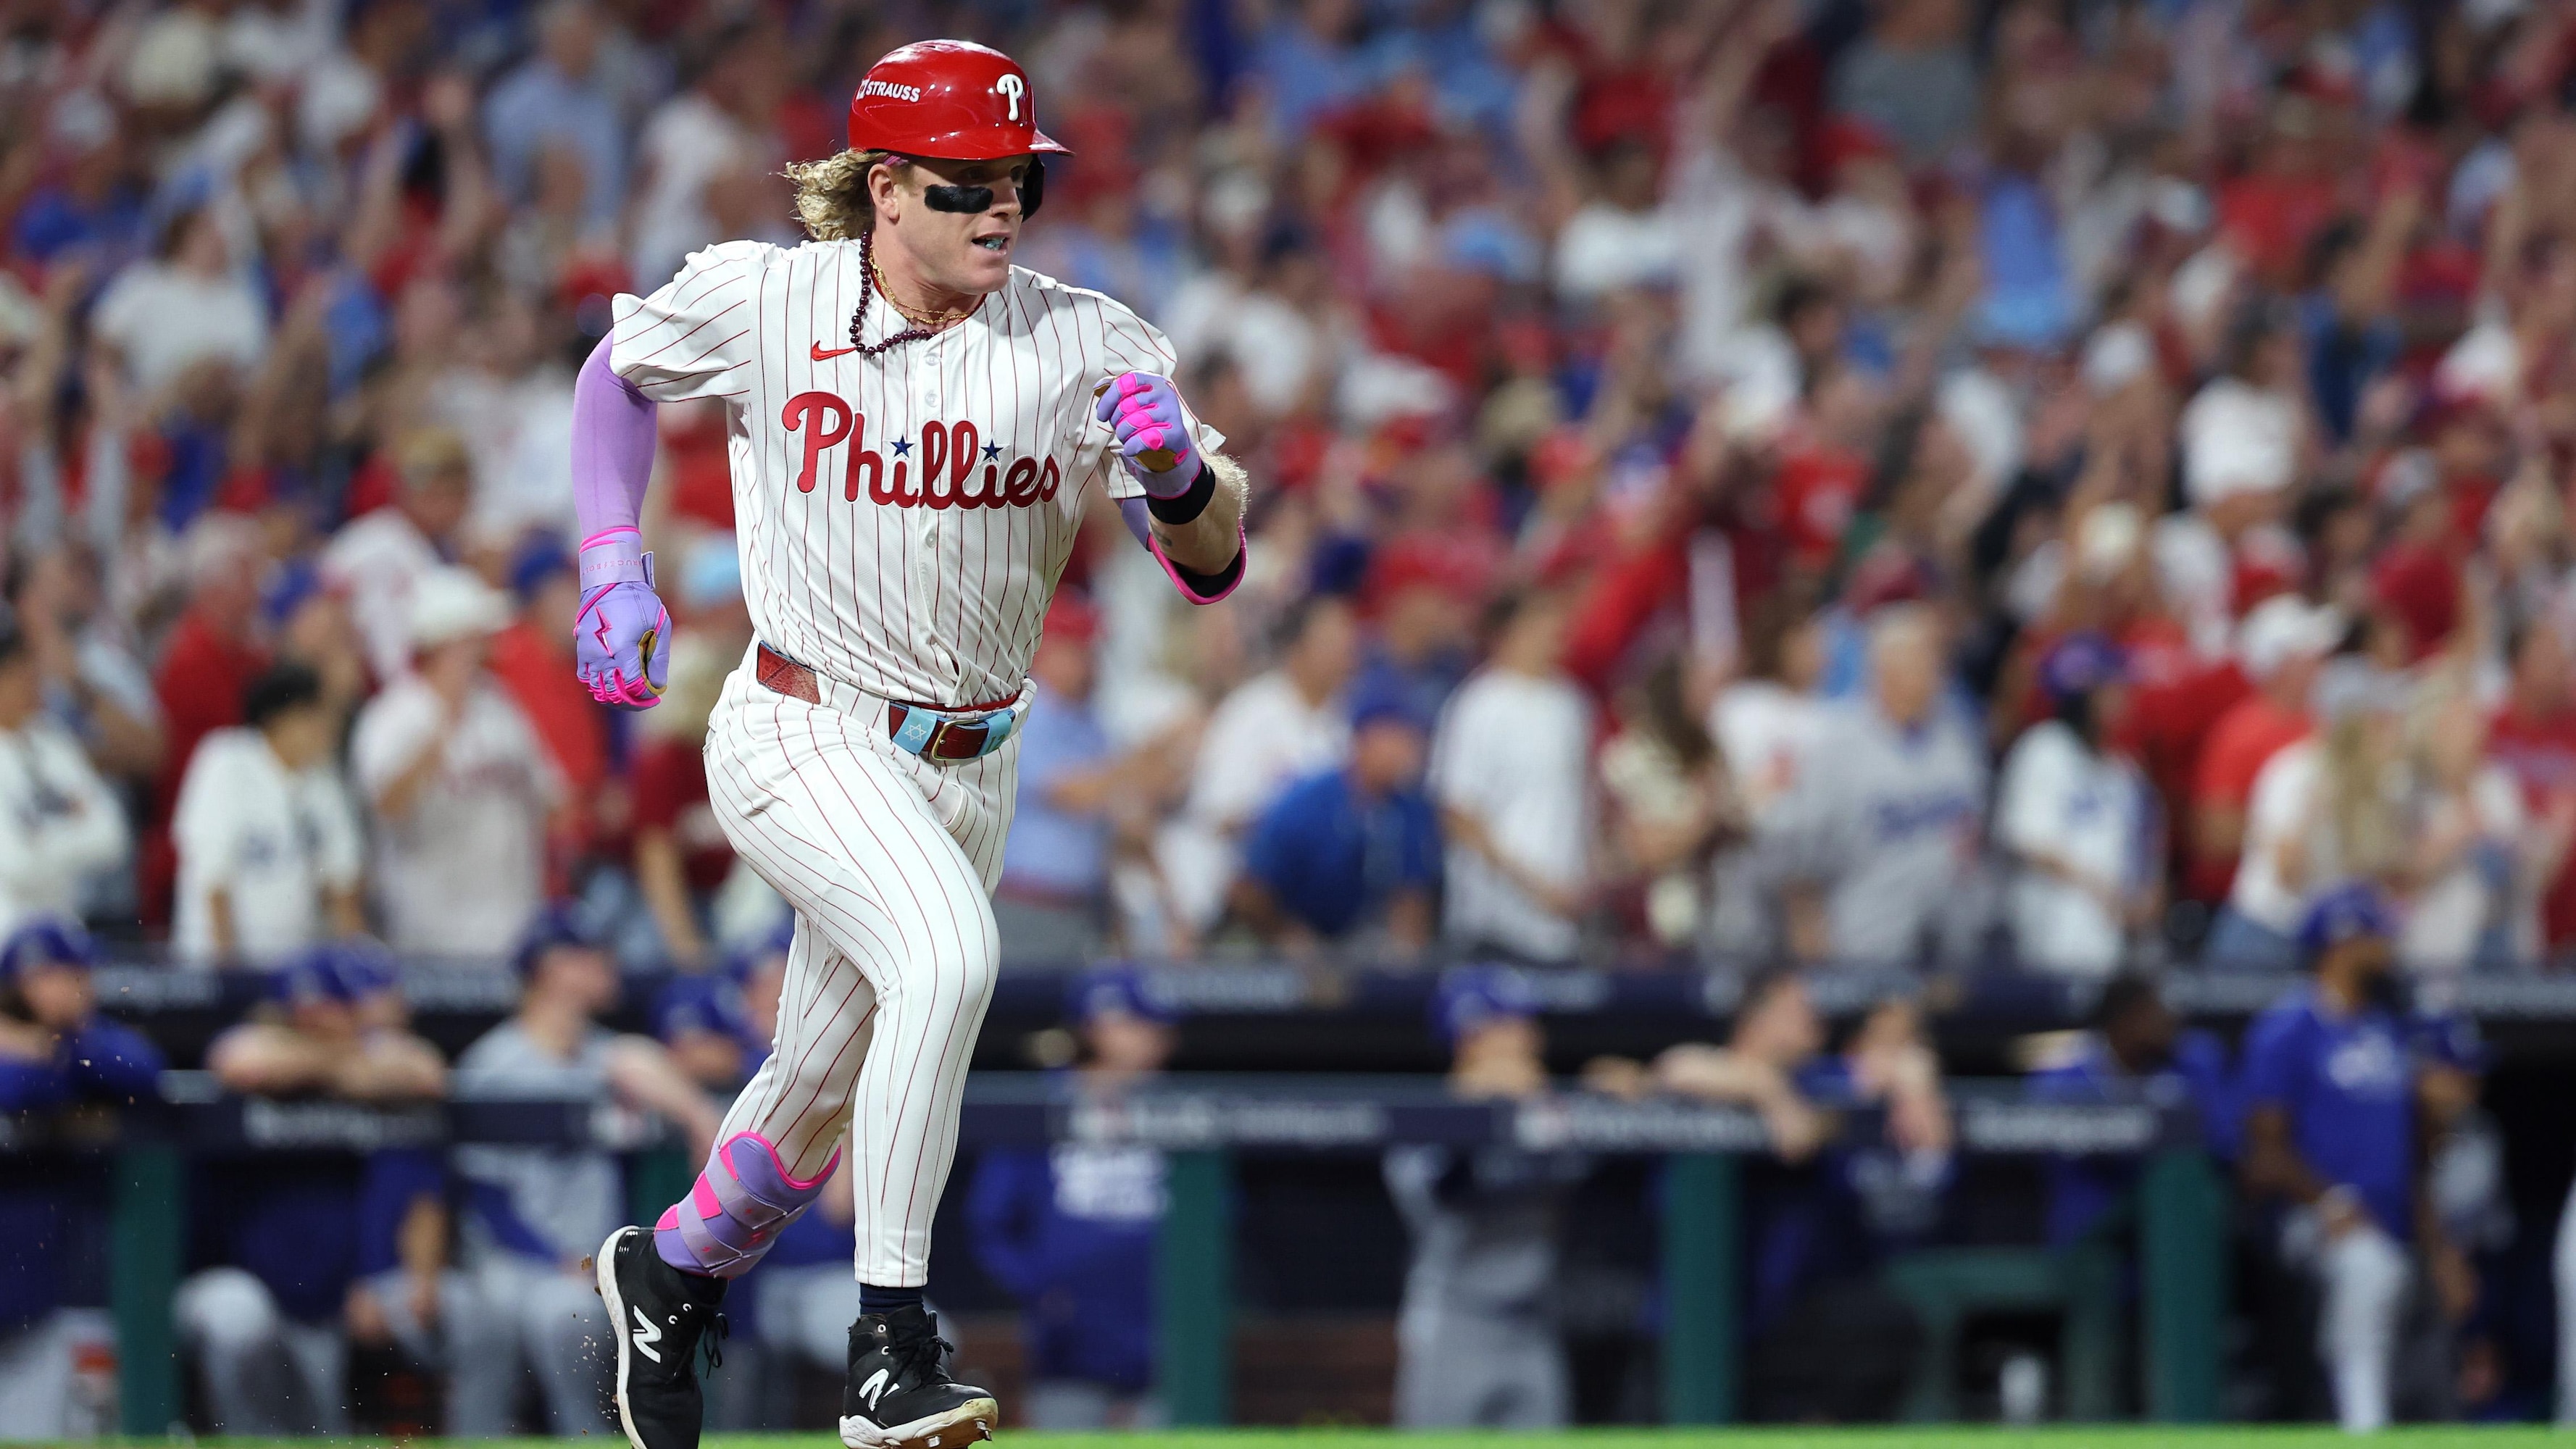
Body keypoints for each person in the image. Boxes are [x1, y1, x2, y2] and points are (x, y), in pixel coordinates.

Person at [573, 41, 1254, 1448]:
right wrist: (608, 562)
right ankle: (890, 1349)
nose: (1000, 207)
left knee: (819, 1090)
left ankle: (674, 1271)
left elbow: (1207, 567)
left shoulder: (1086, 340)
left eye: (1019, 182)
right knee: (946, 958)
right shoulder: (771, 297)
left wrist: (1183, 478)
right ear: (885, 188)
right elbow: (615, 374)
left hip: (973, 761)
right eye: (965, 184)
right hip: (800, 718)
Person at [451, 911, 721, 1437]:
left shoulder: (604, 1055)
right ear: (554, 968)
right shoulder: (492, 1065)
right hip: (508, 1259)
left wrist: (698, 1118)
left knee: (569, 1317)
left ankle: (587, 1439)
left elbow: (637, 1060)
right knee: (499, 1319)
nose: (608, 965)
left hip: (585, 1261)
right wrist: (558, 1261)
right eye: (592, 956)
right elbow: (484, 1195)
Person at [181, 948, 451, 1437]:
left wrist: (342, 1062)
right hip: (231, 1281)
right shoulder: (258, 1044)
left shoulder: (370, 1060)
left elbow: (425, 1072)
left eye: (330, 1007)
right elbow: (242, 1063)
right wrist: (339, 1059)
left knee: (321, 1430)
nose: (318, 1016)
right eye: (308, 1009)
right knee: (240, 1322)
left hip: (324, 1298)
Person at [2238, 885, 2475, 1432]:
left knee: (2400, 1278)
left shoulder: (2386, 1027)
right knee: (2367, 1268)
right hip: (2311, 1217)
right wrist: (2329, 1202)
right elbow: (2264, 1149)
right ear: (2341, 943)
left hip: (2390, 1221)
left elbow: (2412, 1159)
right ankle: (2361, 1426)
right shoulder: (2289, 1027)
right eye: (2375, 935)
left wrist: (2440, 1247)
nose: (2387, 946)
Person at [966, 969, 1178, 1429]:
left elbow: (1215, 1217)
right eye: (1140, 1023)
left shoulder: (1181, 1108)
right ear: (1098, 1027)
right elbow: (990, 1220)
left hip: (1166, 1341)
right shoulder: (1043, 1106)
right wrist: (1042, 1290)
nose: (1158, 1036)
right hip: (1067, 1348)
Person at [1385, 969, 1583, 1428]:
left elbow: (1575, 1169)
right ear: (1470, 1036)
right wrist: (1480, 1106)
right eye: (1510, 1025)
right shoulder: (1421, 1120)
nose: (1529, 1038)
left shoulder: (1548, 1110)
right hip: (1455, 1322)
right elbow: (1442, 1194)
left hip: (1533, 1324)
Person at [0, 919, 162, 1440]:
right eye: (65, 974)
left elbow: (143, 1070)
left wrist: (56, 1046)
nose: (80, 986)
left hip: (49, 1290)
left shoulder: (83, 1043)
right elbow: (18, 1089)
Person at [351, 567, 562, 959]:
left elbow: (552, 799)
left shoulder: (499, 705)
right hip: (433, 935)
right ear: (445, 641)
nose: (488, 646)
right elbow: (385, 808)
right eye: (475, 637)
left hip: (514, 927)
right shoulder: (392, 716)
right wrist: (440, 731)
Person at [1771, 604, 1988, 965]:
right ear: (1886, 669)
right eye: (1924, 658)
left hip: (1952, 951)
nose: (1938, 671)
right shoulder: (1837, 744)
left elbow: (1972, 836)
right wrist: (1806, 926)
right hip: (1864, 947)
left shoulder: (1957, 739)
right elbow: (1795, 849)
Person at [1158, 596, 1357, 935]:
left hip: (1309, 904)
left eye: (1347, 642)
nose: (1344, 653)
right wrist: (1292, 822)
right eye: (1330, 642)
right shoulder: (1253, 712)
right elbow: (1217, 815)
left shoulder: (1343, 723)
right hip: (1229, 903)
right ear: (1296, 649)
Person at [1430, 590, 1592, 964]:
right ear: (1507, 634)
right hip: (1496, 924)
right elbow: (1459, 816)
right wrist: (1535, 886)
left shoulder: (1572, 705)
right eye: (1540, 623)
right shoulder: (1479, 705)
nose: (1554, 632)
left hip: (1564, 924)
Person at [2217, 661, 2410, 969]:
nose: (2389, 735)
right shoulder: (2294, 774)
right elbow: (2288, 874)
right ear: (2350, 727)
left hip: (2327, 944)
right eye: (2377, 723)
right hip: (2268, 934)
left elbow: (2385, 874)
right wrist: (2314, 808)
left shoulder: (2380, 784)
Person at [170, 662, 364, 966]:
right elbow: (213, 882)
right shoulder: (227, 761)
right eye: (314, 715)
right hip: (215, 967)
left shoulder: (324, 780)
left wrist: (360, 969)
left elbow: (343, 889)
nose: (328, 728)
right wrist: (230, 974)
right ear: (278, 719)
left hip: (292, 973)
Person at [2026, 973, 2237, 1248]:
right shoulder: (2064, 1077)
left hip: (2175, 1223)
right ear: (2122, 1021)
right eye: (2151, 1013)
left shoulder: (2194, 1061)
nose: (2169, 1020)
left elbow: (2226, 1141)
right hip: (2093, 1219)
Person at [1996, 634, 2159, 977]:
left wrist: (2143, 897)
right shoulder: (2043, 750)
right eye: (2110, 688)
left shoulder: (2125, 771)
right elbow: (2028, 840)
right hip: (2051, 928)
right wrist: (2100, 889)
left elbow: (2147, 852)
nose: (2122, 697)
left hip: (2115, 936)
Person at [1234, 688, 1443, 955]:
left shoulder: (1411, 809)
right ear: (1363, 739)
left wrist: (1404, 958)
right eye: (1397, 738)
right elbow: (1249, 890)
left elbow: (1411, 896)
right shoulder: (1308, 802)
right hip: (1282, 940)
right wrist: (1288, 937)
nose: (1409, 750)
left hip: (1362, 944)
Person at [0, 617, 129, 935]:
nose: (33, 681)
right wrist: (71, 827)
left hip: (63, 932)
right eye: (19, 673)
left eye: (32, 670)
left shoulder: (54, 743)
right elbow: (14, 863)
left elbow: (112, 837)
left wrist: (39, 838)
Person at [322, 427, 474, 685]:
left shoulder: (434, 544)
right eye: (450, 494)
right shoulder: (378, 547)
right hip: (361, 684)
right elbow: (387, 657)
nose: (461, 506)